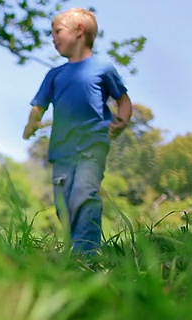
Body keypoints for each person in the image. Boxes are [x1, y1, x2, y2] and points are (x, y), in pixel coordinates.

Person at [22, 8, 132, 254]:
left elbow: (123, 100)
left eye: (57, 32)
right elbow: (39, 106)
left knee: (84, 193)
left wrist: (121, 121)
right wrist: (31, 126)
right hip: (62, 149)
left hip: (93, 143)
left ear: (79, 31)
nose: (53, 38)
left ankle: (88, 254)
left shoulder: (102, 68)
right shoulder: (55, 75)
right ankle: (75, 249)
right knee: (64, 204)